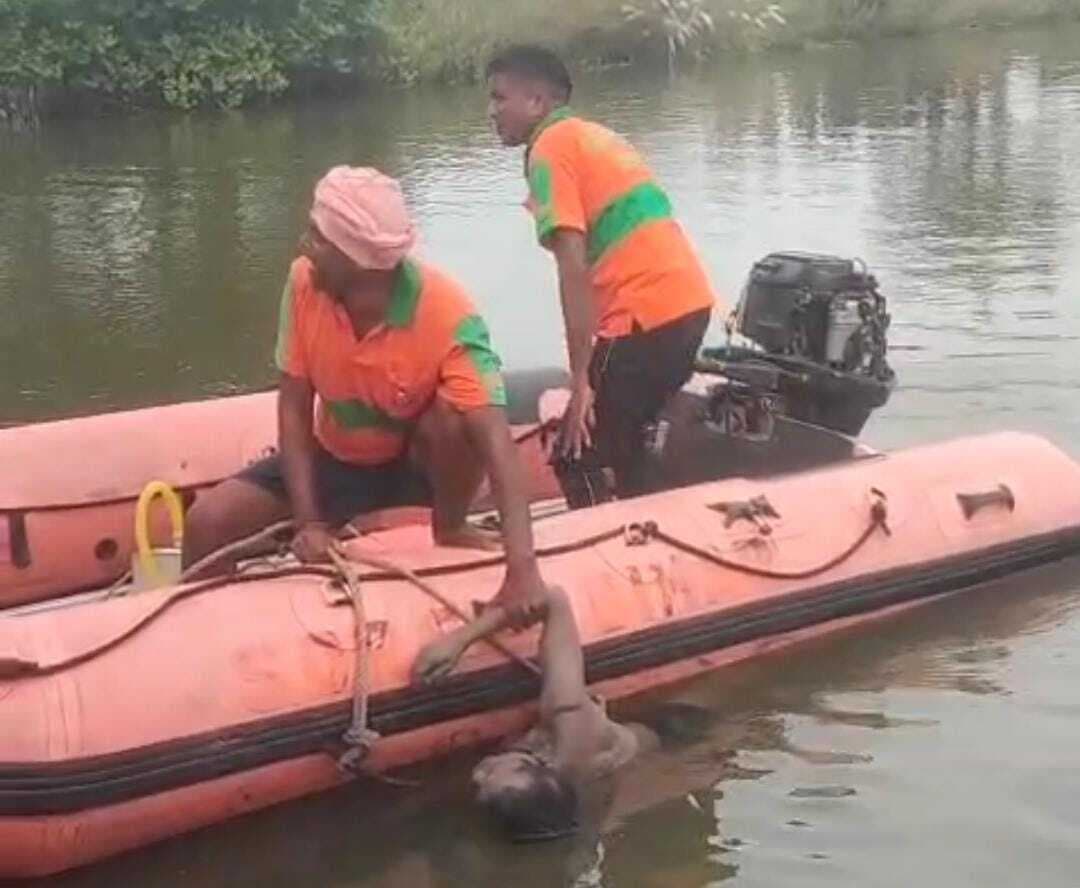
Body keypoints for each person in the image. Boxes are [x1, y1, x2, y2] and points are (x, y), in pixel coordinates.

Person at [183, 166, 546, 616]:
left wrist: (523, 569)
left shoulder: (448, 313)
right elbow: (294, 406)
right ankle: (204, 629)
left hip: (415, 469)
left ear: (357, 260)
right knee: (207, 522)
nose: (304, 246)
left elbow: (494, 440)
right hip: (335, 459)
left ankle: (451, 527)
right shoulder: (303, 283)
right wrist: (309, 521)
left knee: (457, 413)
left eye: (318, 238)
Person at [486, 45, 720, 506]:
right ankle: (648, 520)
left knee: (577, 452)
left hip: (641, 316)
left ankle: (616, 538)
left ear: (536, 101)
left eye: (499, 98)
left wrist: (580, 381)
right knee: (628, 442)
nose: (491, 112)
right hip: (688, 306)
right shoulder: (592, 136)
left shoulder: (549, 149)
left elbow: (572, 269)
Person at [413, 584, 657, 842]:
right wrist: (459, 640)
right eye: (491, 773)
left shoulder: (542, 785)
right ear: (540, 762)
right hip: (656, 728)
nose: (478, 773)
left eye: (481, 785)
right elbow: (553, 599)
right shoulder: (567, 713)